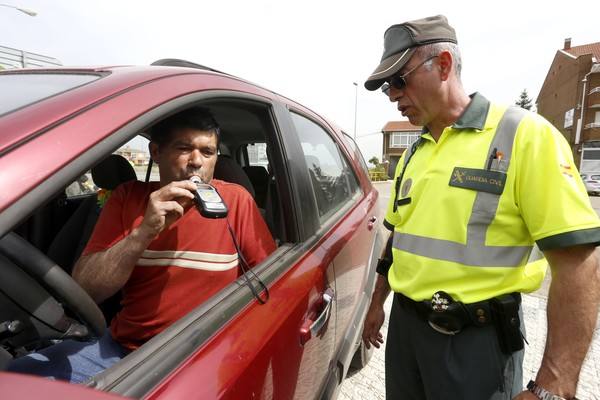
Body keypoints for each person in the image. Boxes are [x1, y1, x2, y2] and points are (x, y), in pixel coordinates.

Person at [362, 15, 600, 400]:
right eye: (387, 86)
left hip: (475, 346)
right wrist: (377, 304)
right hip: (407, 335)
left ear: (443, 64)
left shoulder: (524, 136)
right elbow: (398, 239)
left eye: (399, 80)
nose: (392, 95)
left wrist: (555, 382)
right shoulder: (412, 153)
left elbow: (577, 260)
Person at [8, 106, 276, 383]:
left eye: (207, 152)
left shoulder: (237, 201)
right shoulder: (128, 198)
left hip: (205, 353)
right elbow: (87, 287)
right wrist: (143, 232)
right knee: (17, 377)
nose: (196, 161)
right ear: (156, 152)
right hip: (125, 350)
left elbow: (272, 284)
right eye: (184, 148)